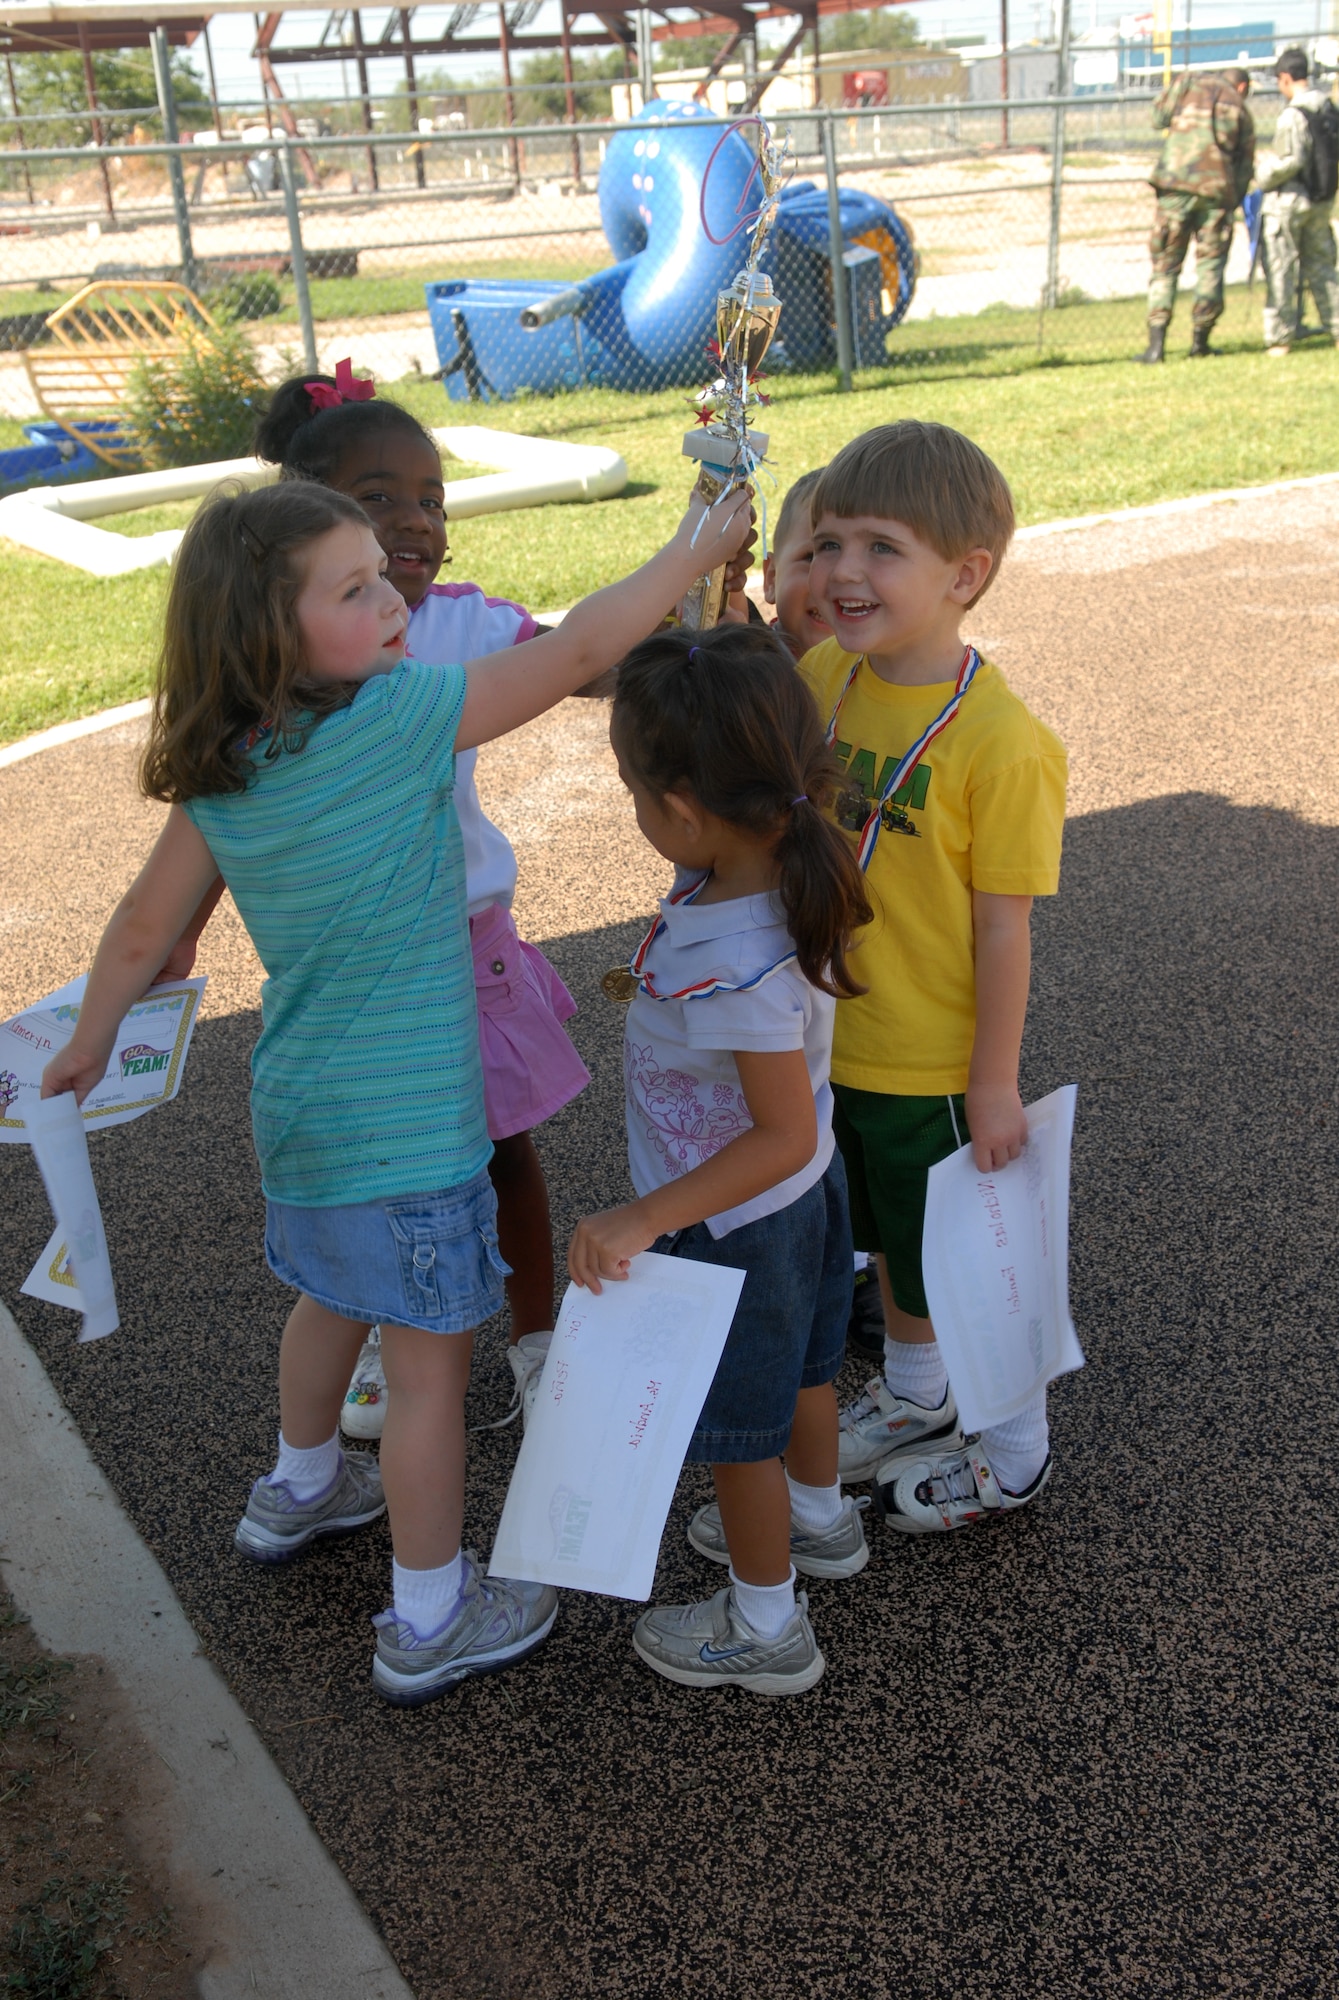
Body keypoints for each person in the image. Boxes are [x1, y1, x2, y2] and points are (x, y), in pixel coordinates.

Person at [41, 475, 750, 1706]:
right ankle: (430, 1612)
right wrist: (694, 547)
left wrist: (89, 1041)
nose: (393, 604)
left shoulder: (225, 767)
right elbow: (579, 648)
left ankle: (301, 1482)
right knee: (427, 1377)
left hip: (301, 1114)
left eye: (384, 577)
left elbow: (145, 926)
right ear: (268, 628)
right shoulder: (402, 715)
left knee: (330, 1296)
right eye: (356, 588)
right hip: (417, 1126)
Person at [568, 624, 873, 1695]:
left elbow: (775, 1130)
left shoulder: (738, 964)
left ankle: (765, 1623)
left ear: (686, 811)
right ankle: (819, 1518)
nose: (636, 810)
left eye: (635, 792)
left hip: (738, 1221)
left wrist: (644, 1216)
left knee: (739, 1432)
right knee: (807, 1373)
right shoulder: (774, 866)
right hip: (802, 1198)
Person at [795, 420, 1068, 1531]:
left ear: (964, 576)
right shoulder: (825, 675)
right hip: (833, 1044)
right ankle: (917, 1393)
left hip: (933, 1068)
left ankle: (1017, 1452)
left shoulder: (1002, 743)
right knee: (889, 1251)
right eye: (828, 543)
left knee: (969, 1267)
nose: (842, 571)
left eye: (880, 548)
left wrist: (990, 1082)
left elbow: (1005, 931)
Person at [762, 467, 886, 1365]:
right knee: (787, 1111)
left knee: (859, 1121)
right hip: (770, 955)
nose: (831, 578)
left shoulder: (879, 676)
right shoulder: (751, 673)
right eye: (811, 554)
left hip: (866, 970)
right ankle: (815, 1262)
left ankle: (859, 1264)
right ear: (769, 572)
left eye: (854, 556)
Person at [1138, 64, 1254, 363]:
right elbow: (1245, 164)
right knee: (1211, 265)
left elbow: (1157, 117)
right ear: (1242, 87)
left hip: (1175, 187)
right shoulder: (1239, 106)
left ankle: (1156, 345)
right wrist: (1234, 199)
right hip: (1216, 192)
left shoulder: (1187, 83)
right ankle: (1200, 342)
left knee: (1165, 264)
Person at [1256, 50, 1339, 357]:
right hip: (1320, 198)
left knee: (1281, 270)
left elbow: (1291, 159)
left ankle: (1280, 337)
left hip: (1290, 201)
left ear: (1285, 78)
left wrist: (1263, 174)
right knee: (1324, 268)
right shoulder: (1327, 107)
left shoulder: (1293, 115)